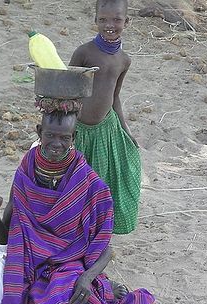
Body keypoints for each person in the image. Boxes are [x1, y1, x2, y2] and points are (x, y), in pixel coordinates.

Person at [0, 109, 154, 304]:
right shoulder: (26, 172)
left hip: (72, 261)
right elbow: (8, 240)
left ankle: (98, 288)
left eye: (65, 138)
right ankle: (99, 290)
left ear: (75, 137)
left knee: (62, 298)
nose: (57, 144)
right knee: (29, 298)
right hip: (34, 263)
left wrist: (87, 277)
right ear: (39, 133)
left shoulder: (87, 181)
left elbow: (105, 248)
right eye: (51, 135)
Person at [69, 0, 141, 235]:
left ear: (127, 22)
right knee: (74, 184)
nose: (110, 25)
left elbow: (115, 97)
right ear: (95, 21)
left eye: (117, 19)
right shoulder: (84, 53)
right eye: (103, 19)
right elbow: (67, 90)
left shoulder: (124, 60)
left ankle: (97, 230)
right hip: (79, 131)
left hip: (105, 130)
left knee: (107, 181)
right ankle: (72, 229)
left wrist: (126, 131)